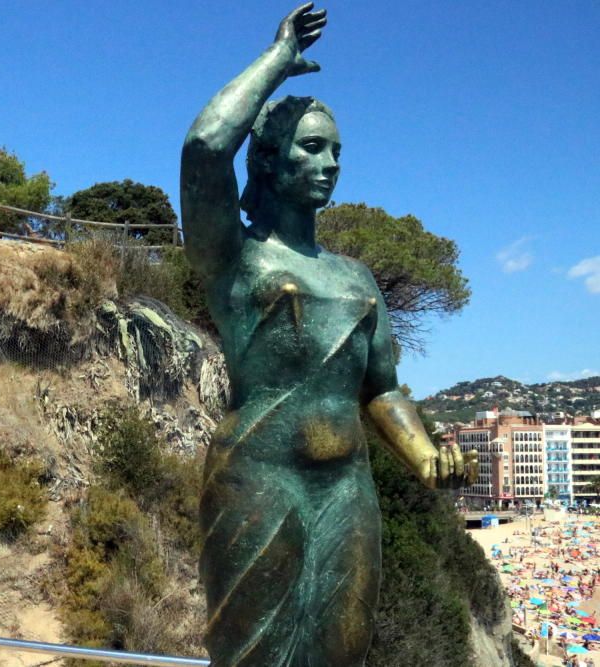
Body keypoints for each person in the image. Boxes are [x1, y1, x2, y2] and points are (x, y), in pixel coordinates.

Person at [180, 3, 476, 665]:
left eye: (337, 150)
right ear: (267, 160)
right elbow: (203, 148)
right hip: (257, 481)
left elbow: (381, 387)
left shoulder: (358, 279)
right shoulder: (236, 257)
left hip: (348, 490)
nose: (330, 162)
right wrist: (278, 60)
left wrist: (424, 454)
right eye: (313, 146)